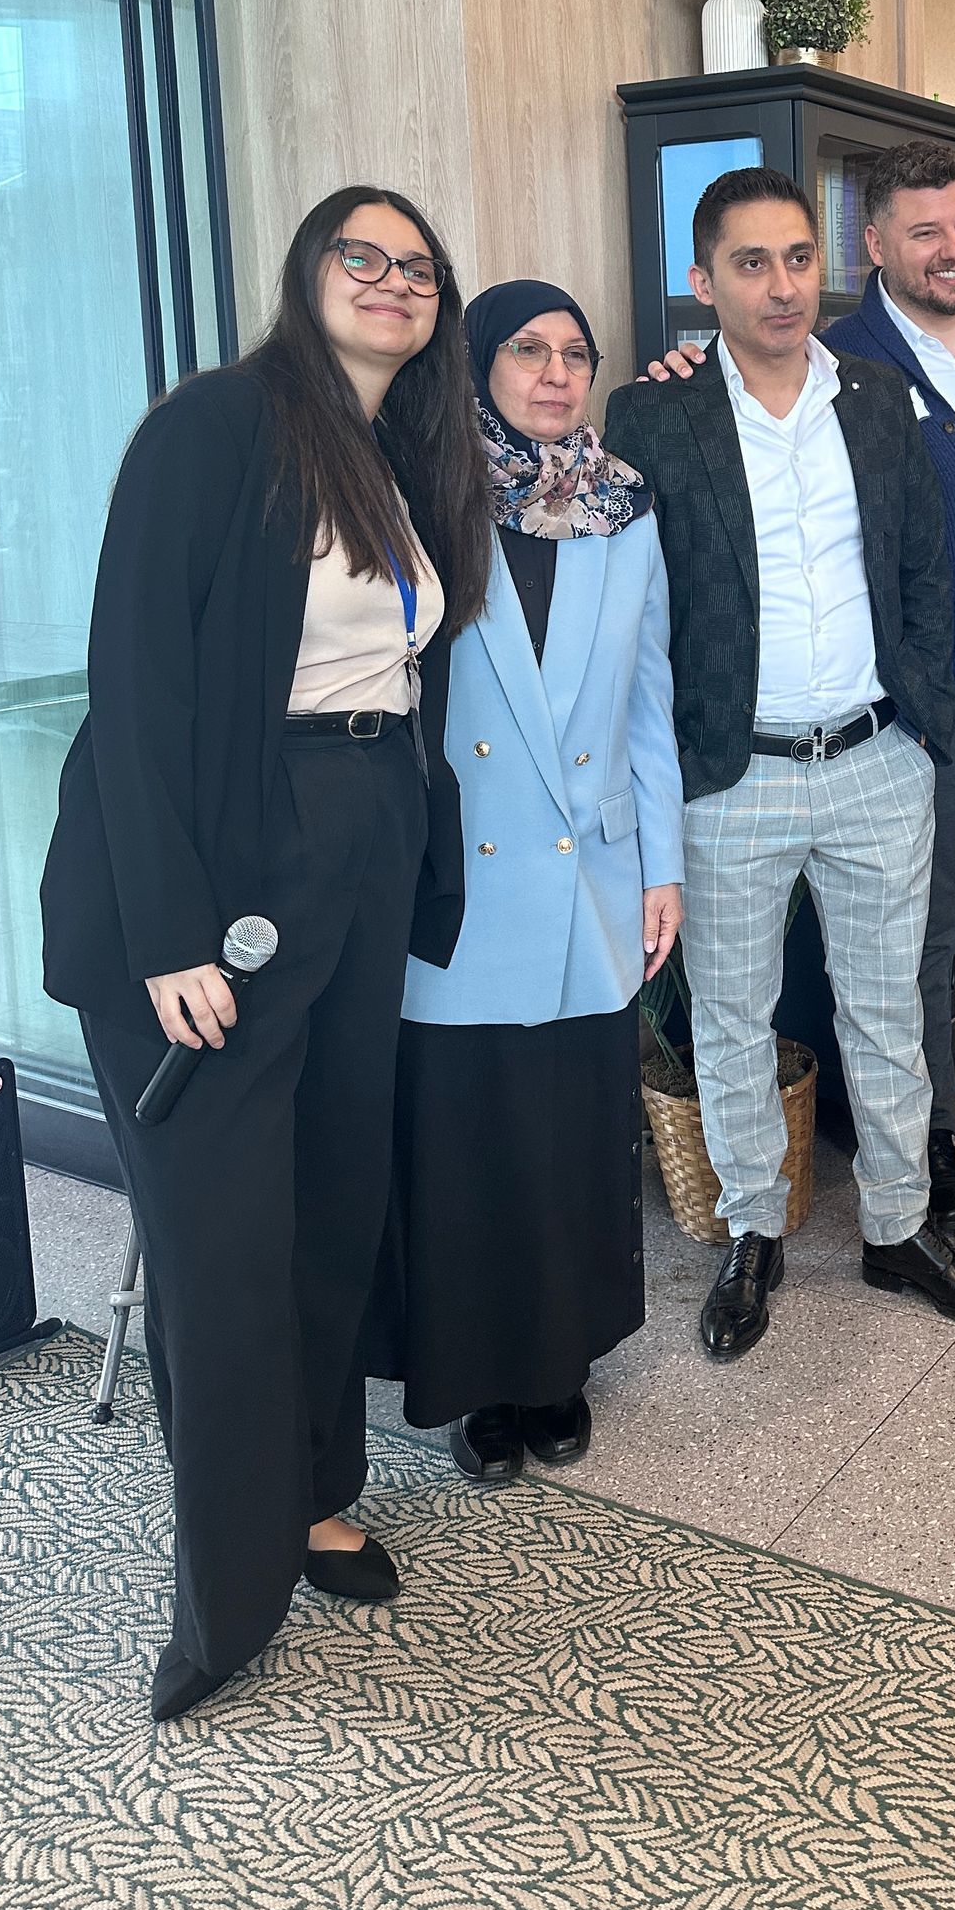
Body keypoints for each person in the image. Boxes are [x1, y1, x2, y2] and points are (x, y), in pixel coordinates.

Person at [39, 186, 487, 1720]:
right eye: (360, 258)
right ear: (305, 277)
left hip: (355, 843)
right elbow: (136, 681)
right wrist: (169, 934)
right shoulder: (215, 428)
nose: (390, 281)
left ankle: (310, 1498)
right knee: (225, 1243)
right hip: (220, 861)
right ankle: (224, 1602)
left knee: (328, 1201)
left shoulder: (401, 455)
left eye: (417, 268)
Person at [647, 137, 955, 1232]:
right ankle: (930, 1143)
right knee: (905, 949)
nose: (954, 248)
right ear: (873, 246)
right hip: (931, 702)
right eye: (925, 231)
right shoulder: (845, 356)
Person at [605, 165, 955, 1359]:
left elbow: (925, 573)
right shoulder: (653, 415)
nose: (782, 284)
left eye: (798, 258)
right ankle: (753, 1229)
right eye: (751, 262)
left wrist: (925, 720)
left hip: (875, 758)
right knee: (733, 1017)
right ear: (703, 283)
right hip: (731, 773)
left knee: (889, 1008)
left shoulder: (880, 402)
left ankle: (900, 1229)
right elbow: (636, 604)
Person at [370, 279, 684, 1483]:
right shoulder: (419, 499)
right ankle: (477, 1380)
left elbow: (648, 690)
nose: (556, 372)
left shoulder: (623, 504)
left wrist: (660, 865)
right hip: (463, 872)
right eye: (527, 350)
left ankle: (559, 1367)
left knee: (569, 1137)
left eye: (574, 353)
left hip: (594, 869)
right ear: (476, 367)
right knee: (467, 1137)